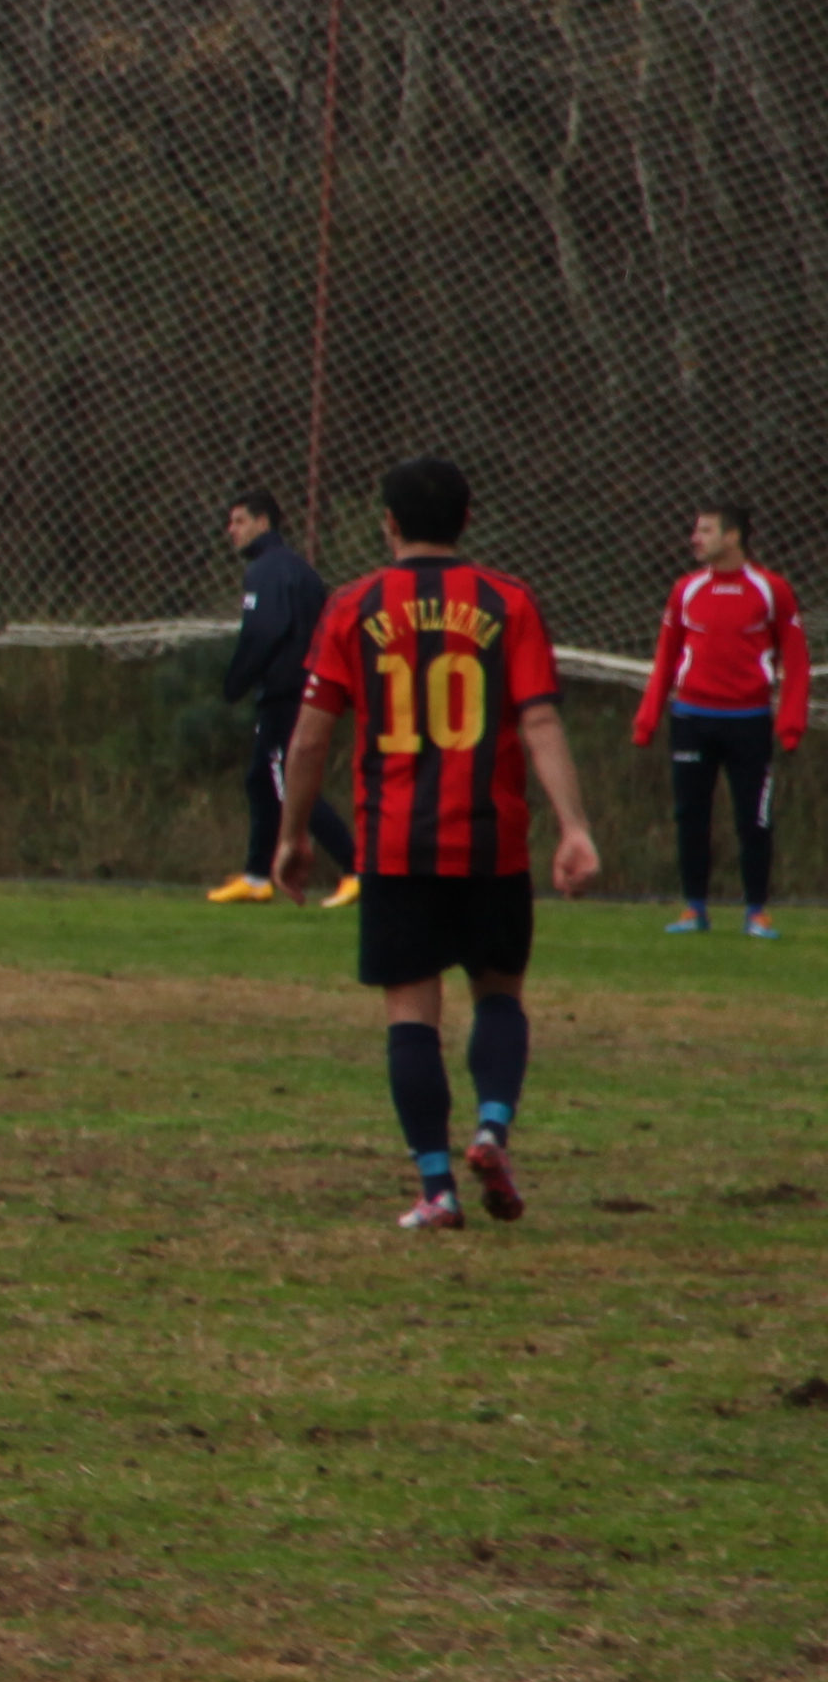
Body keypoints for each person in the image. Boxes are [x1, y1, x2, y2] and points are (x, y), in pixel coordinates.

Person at [274, 455, 603, 1227]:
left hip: (395, 847)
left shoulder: (353, 606)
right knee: (499, 994)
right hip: (492, 845)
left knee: (410, 1013)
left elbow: (312, 737)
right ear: (467, 518)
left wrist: (292, 834)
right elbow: (541, 720)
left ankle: (437, 1187)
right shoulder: (509, 602)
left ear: (387, 523)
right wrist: (575, 826)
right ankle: (491, 1127)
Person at [633, 501, 804, 939]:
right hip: (692, 718)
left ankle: (756, 911)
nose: (695, 538)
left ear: (732, 536)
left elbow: (796, 661)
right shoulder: (686, 589)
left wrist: (789, 722)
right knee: (690, 814)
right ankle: (694, 908)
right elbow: (666, 657)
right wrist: (647, 718)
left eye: (705, 530)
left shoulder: (771, 590)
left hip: (748, 722)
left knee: (754, 818)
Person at [212, 492, 360, 907]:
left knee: (290, 785)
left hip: (286, 692)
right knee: (261, 780)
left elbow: (266, 630)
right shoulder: (296, 570)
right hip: (299, 688)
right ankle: (257, 876)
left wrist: (236, 680)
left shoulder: (268, 570)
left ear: (263, 522)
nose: (232, 531)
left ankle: (355, 867)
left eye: (239, 521)